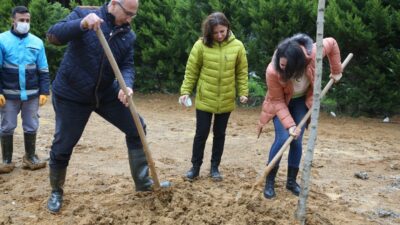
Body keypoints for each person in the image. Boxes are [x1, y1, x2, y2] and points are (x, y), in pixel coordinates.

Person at [45, 0, 168, 213]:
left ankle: (143, 183)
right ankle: (56, 190)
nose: (130, 19)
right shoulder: (84, 13)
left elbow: (127, 65)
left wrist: (126, 85)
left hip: (104, 92)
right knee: (64, 144)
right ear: (113, 4)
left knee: (136, 127)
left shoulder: (127, 35)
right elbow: (53, 35)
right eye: (127, 13)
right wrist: (82, 24)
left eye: (133, 15)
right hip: (72, 94)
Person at [257, 33, 343, 199]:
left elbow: (332, 43)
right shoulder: (273, 71)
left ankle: (291, 182)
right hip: (280, 103)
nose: (282, 69)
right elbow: (277, 101)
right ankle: (269, 181)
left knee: (296, 139)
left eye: (287, 68)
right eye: (281, 65)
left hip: (301, 101)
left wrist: (336, 70)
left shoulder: (313, 53)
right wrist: (290, 125)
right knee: (283, 138)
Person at [179, 12, 249, 182]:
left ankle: (214, 168)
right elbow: (191, 70)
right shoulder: (200, 46)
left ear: (228, 29)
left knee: (220, 134)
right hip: (205, 98)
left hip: (225, 98)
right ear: (209, 31)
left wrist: (243, 92)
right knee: (201, 133)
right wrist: (185, 91)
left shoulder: (238, 46)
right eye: (215, 32)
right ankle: (195, 168)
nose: (219, 35)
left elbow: (241, 72)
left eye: (222, 31)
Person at [0, 6, 50, 174]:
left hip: (31, 95)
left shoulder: (37, 42)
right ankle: (6, 160)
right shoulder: (2, 40)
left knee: (31, 125)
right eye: (21, 20)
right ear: (13, 20)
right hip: (8, 95)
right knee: (7, 126)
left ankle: (30, 157)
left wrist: (44, 91)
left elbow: (43, 70)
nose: (24, 23)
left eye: (27, 20)